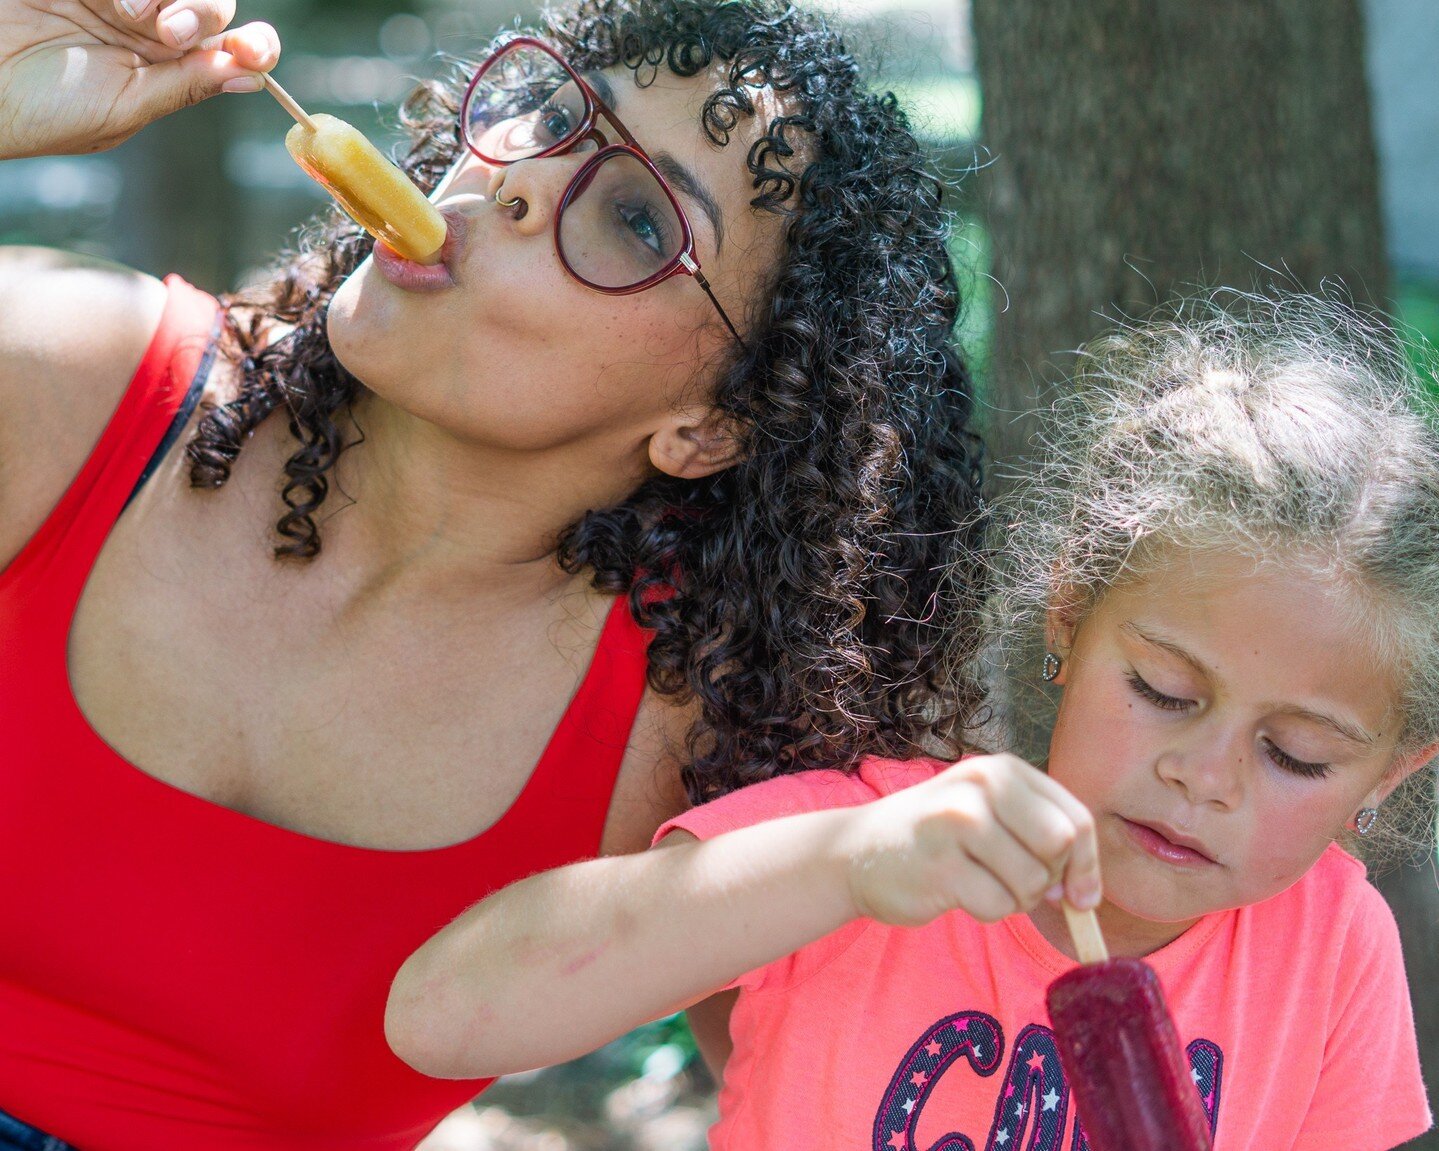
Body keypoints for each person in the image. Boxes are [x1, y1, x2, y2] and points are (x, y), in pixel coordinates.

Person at [0, 0, 990, 1147]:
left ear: (709, 424)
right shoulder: (75, 383)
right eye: (555, 114)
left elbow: (849, 1095)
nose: (520, 181)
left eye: (633, 218)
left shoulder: (702, 746)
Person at [388, 293, 1437, 1151]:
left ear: (1390, 771)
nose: (1205, 775)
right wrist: (841, 865)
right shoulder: (877, 846)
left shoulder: (1329, 948)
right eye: (1163, 689)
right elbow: (441, 1013)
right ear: (1068, 616)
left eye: (1295, 753)